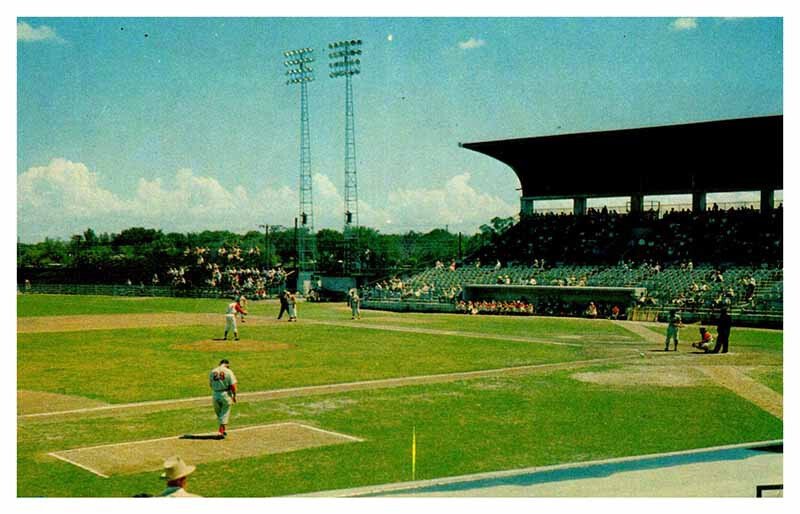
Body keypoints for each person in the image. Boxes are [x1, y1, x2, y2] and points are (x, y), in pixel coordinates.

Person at [209, 359, 237, 438]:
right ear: (227, 365)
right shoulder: (229, 372)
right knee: (225, 412)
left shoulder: (213, 371)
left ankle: (222, 430)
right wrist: (234, 395)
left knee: (219, 413)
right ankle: (221, 431)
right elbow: (233, 386)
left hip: (215, 394)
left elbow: (210, 384)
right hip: (225, 394)